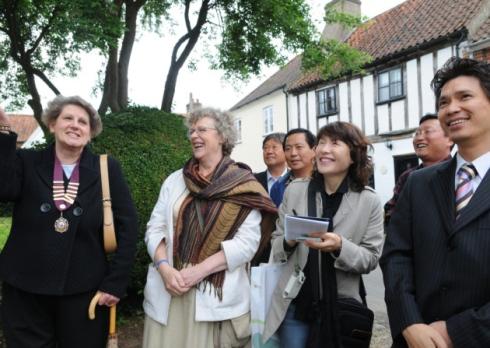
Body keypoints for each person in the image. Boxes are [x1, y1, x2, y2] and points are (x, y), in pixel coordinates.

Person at [0, 96, 138, 347]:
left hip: (84, 291)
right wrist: (3, 136)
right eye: (68, 118)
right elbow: (3, 190)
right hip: (25, 289)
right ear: (52, 125)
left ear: (90, 133)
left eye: (83, 122)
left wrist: (115, 283)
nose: (75, 125)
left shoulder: (106, 168)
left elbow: (128, 227)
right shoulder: (27, 161)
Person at [142, 107, 277, 348]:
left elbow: (247, 244)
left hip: (214, 296)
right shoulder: (175, 180)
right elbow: (155, 228)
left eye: (202, 129)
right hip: (170, 288)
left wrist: (198, 271)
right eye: (192, 131)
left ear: (222, 137)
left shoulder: (244, 184)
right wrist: (164, 268)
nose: (194, 135)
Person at [381, 57, 490, 347]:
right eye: (443, 102)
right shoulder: (419, 183)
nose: (452, 108)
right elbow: (396, 256)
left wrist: (456, 332)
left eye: (465, 96)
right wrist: (409, 322)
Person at [263, 121, 384, 347]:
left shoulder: (369, 201)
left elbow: (370, 258)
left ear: (354, 154)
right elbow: (276, 245)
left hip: (342, 307)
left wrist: (340, 246)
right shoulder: (295, 190)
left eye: (335, 143)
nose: (324, 149)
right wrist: (289, 240)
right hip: (296, 304)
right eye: (321, 143)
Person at [384, 114, 453, 225]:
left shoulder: (460, 172)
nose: (419, 138)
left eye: (428, 131)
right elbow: (391, 211)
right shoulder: (408, 176)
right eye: (417, 133)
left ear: (450, 139)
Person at [269, 128, 316, 206]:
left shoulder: (327, 181)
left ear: (314, 150)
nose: (293, 153)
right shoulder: (278, 187)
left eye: (299, 147)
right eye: (288, 149)